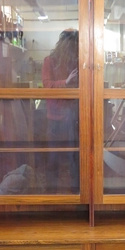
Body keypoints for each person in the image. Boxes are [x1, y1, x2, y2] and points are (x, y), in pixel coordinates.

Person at [41, 29, 79, 192]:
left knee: (74, 156)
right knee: (54, 156)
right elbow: (47, 85)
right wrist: (67, 81)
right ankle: (51, 192)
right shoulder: (49, 61)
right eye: (73, 47)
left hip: (72, 116)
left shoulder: (76, 61)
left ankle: (77, 192)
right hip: (56, 117)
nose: (75, 51)